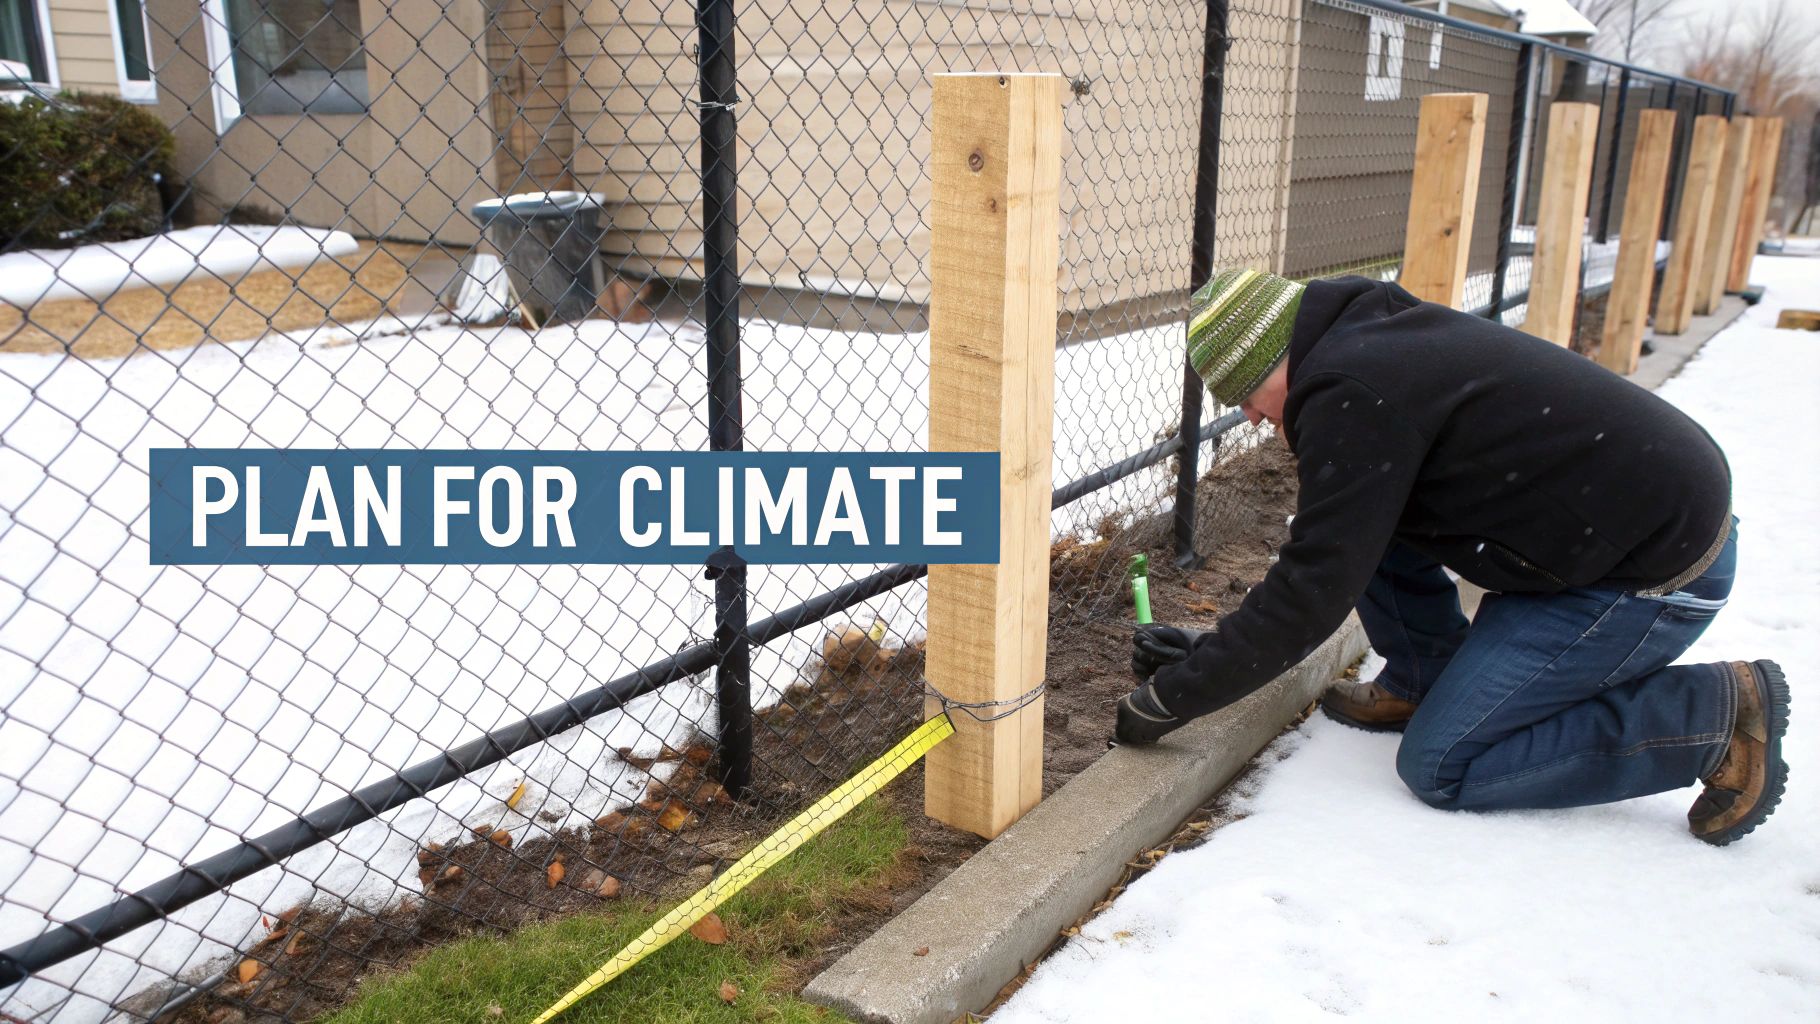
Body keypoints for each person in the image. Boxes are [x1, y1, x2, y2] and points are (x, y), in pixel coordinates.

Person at [1114, 268, 1790, 846]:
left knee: (1443, 765)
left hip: (1648, 579)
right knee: (1357, 515)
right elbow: (1339, 541)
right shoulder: (1367, 344)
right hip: (1618, 532)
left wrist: (1174, 699)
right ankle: (1423, 678)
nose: (1254, 419)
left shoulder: (1354, 392)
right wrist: (1211, 655)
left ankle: (1707, 719)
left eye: (1245, 397)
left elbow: (1312, 591)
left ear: (1267, 363)